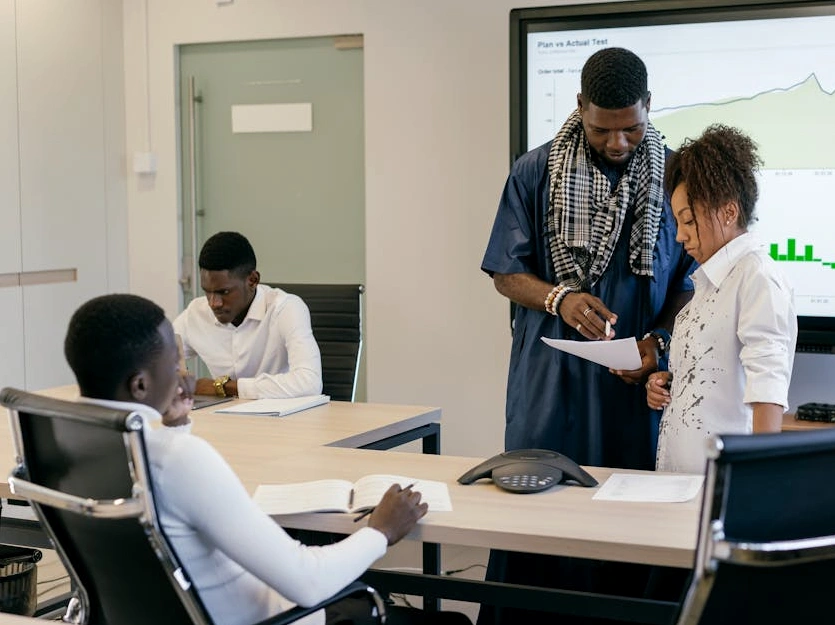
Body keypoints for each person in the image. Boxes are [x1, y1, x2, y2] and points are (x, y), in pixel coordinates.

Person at [63, 293, 471, 625]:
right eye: (175, 363)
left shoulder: (70, 446)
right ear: (140, 385)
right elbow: (308, 583)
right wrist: (381, 531)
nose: (183, 374)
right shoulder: (178, 458)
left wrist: (176, 423)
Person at [479, 47, 696, 625]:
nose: (618, 143)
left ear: (648, 108)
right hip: (551, 383)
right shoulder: (534, 170)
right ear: (580, 107)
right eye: (603, 130)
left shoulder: (677, 176)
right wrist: (559, 298)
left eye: (631, 128)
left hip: (637, 387)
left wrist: (658, 344)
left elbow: (692, 283)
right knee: (538, 515)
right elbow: (505, 272)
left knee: (636, 525)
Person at [646, 124, 797, 474]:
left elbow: (767, 387)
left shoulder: (756, 275)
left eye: (687, 220)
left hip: (725, 486)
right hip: (683, 483)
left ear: (728, 212)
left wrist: (757, 482)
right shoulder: (708, 282)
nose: (680, 236)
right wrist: (671, 383)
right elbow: (714, 373)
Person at [174, 231, 322, 399]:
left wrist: (222, 387)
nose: (213, 303)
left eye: (224, 292)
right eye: (207, 292)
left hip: (283, 420)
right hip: (222, 419)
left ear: (252, 280)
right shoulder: (196, 313)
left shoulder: (286, 308)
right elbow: (152, 357)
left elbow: (310, 382)